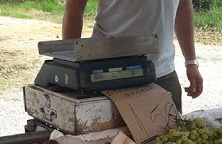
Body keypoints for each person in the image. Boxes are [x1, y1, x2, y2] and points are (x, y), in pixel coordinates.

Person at [63, 0, 203, 113]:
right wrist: (67, 66)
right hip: (111, 74)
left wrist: (191, 62)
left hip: (163, 74)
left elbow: (183, 7)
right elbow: (74, 8)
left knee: (171, 140)